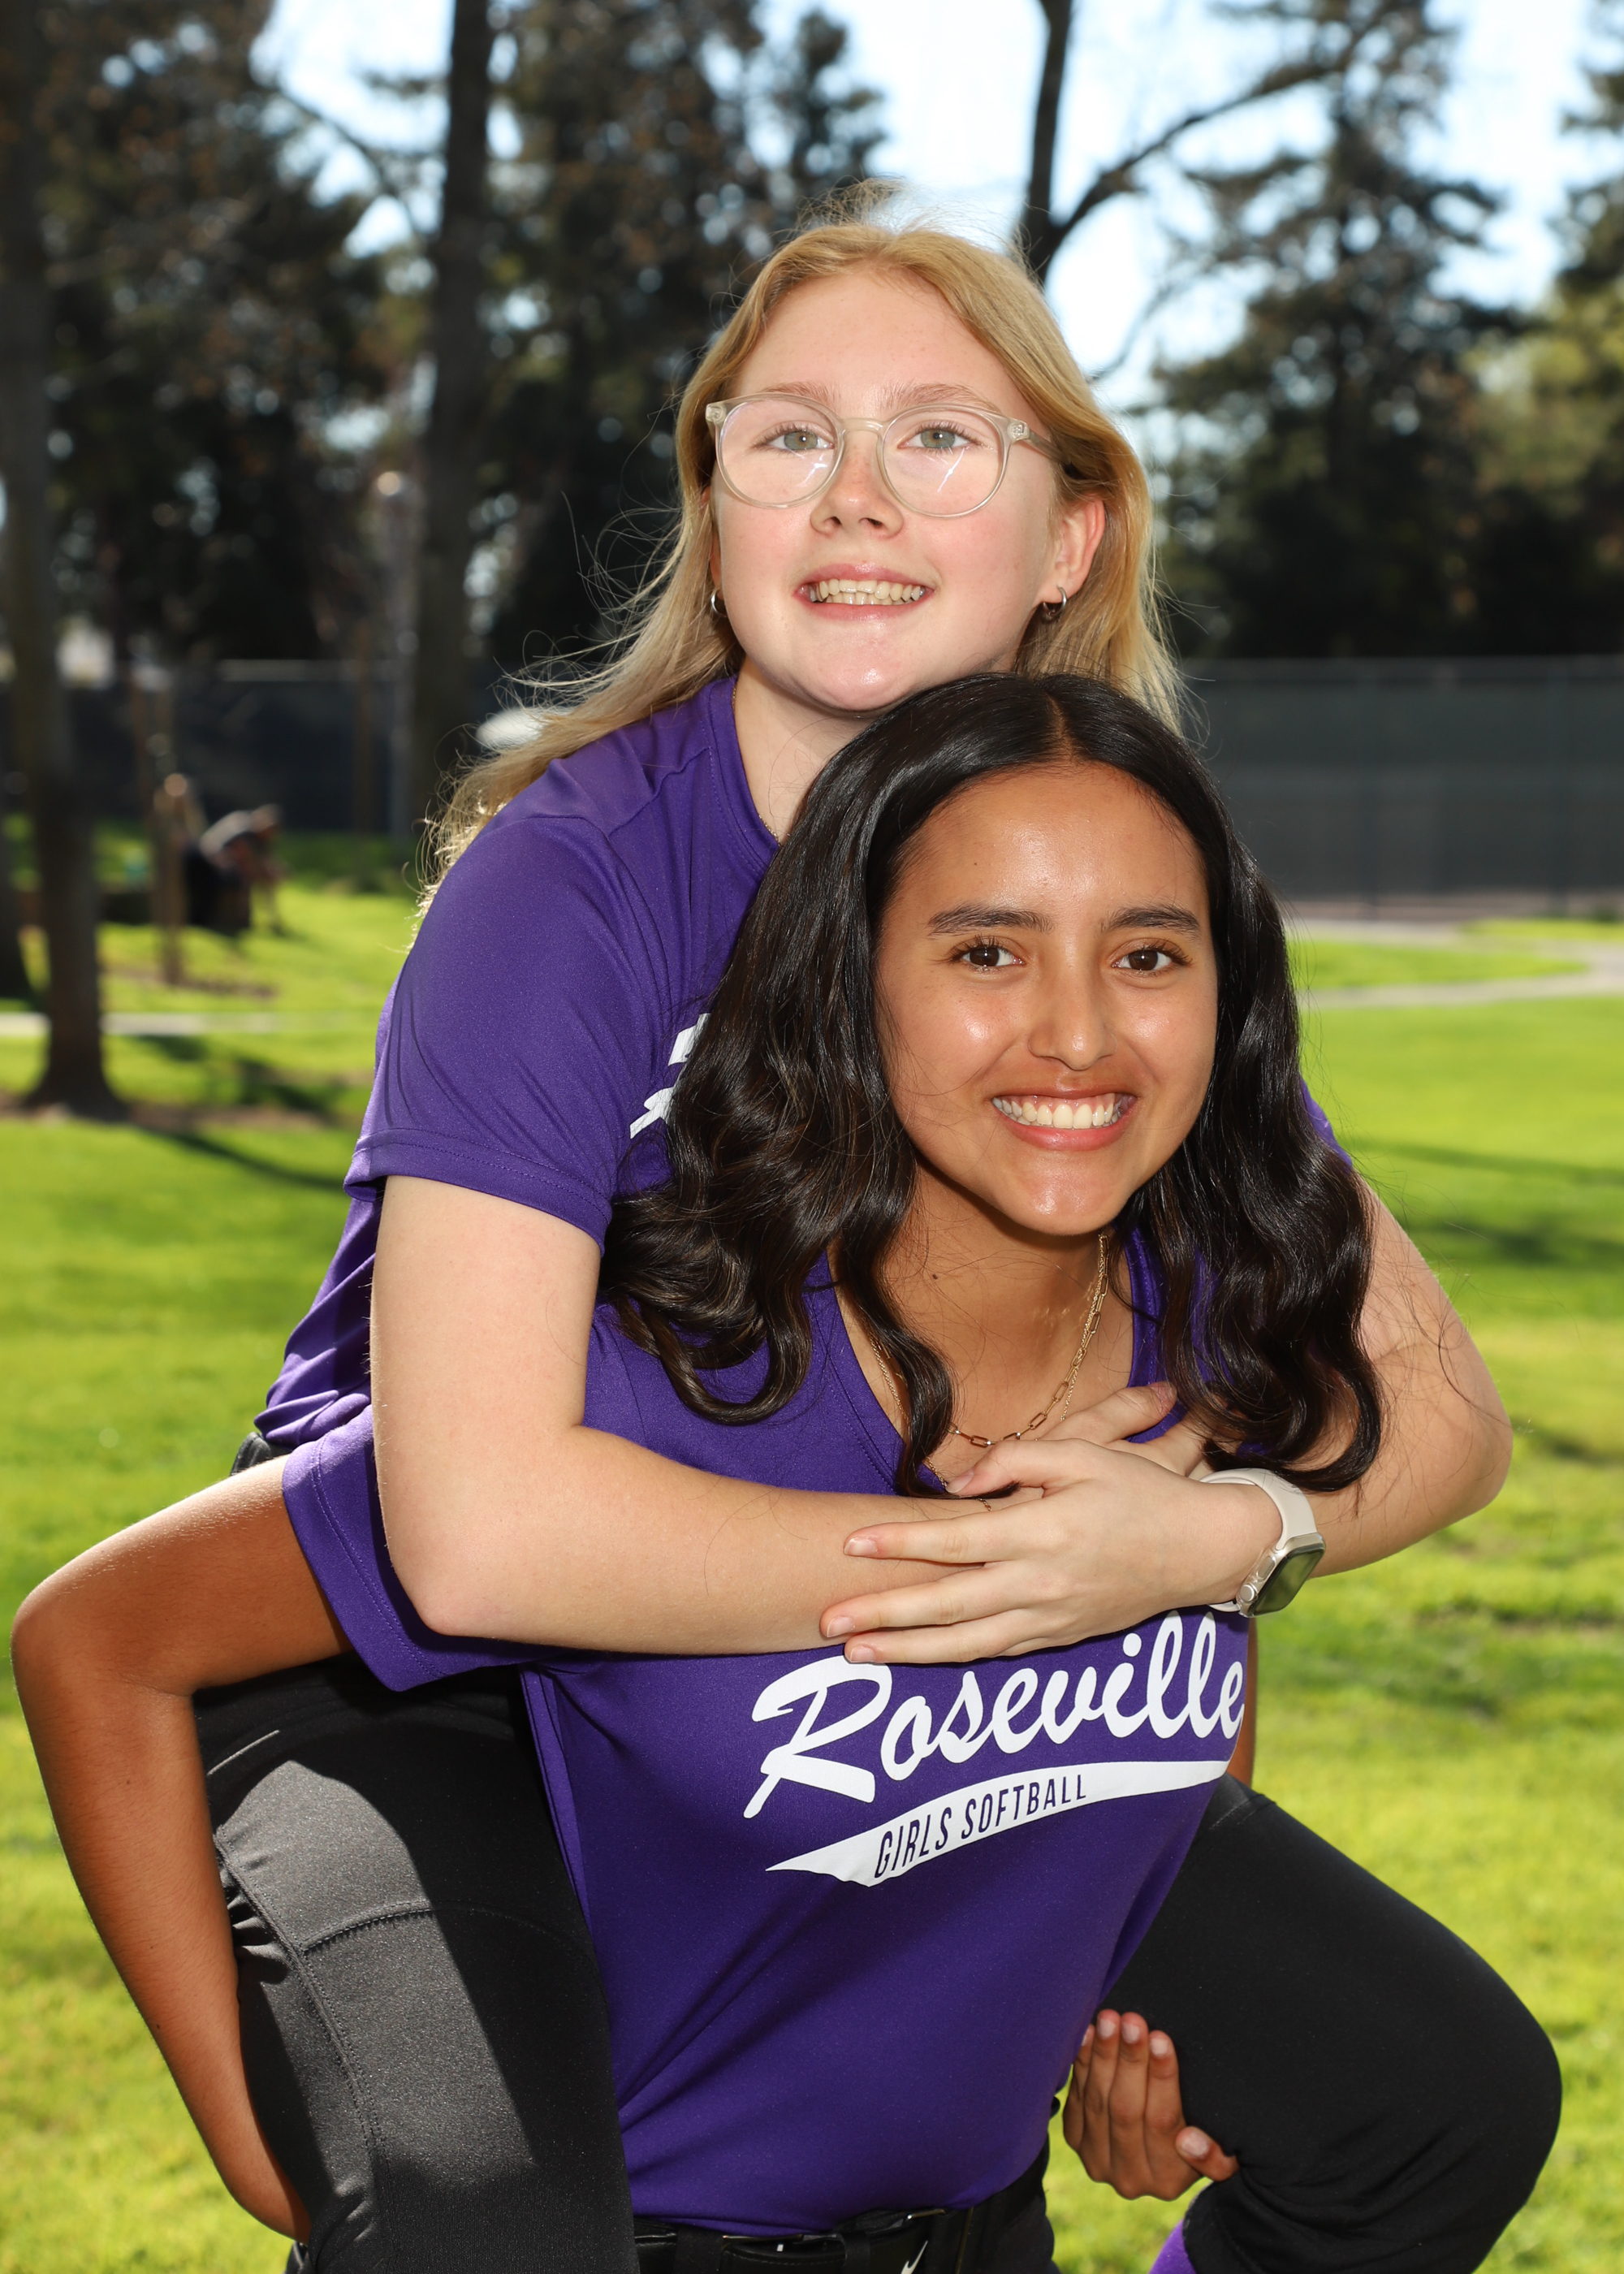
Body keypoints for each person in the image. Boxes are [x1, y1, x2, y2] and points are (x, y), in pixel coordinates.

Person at [15, 210, 1532, 2267]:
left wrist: (1192, 1548)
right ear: (713, 499)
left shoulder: (1069, 881)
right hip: (404, 1646)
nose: (857, 498)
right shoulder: (572, 874)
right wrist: (1026, 1572)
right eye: (790, 437)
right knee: (488, 2216)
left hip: (851, 1600)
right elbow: (472, 1528)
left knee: (1429, 2087)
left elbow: (1416, 1404)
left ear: (1073, 529)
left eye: (938, 437)